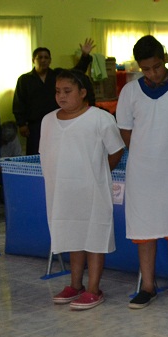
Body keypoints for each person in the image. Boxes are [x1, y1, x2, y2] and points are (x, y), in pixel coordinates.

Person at [116, 35, 168, 309]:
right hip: (142, 172)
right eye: (146, 69)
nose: (153, 73)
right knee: (144, 230)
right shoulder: (130, 92)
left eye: (157, 67)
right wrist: (144, 152)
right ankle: (147, 286)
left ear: (165, 59)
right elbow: (125, 130)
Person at [41, 70, 125, 310]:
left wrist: (98, 173)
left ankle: (94, 289)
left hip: (92, 192)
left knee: (94, 237)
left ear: (83, 92)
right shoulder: (48, 120)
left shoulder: (100, 118)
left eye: (67, 91)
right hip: (62, 193)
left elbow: (116, 150)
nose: (61, 96)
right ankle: (75, 285)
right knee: (73, 235)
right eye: (58, 91)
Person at [13, 41, 95, 155]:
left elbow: (77, 72)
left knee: (57, 152)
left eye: (46, 57)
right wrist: (21, 124)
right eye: (40, 57)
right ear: (33, 60)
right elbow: (19, 102)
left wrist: (84, 55)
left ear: (50, 60)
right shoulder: (24, 79)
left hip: (58, 121)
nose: (43, 60)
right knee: (35, 153)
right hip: (35, 125)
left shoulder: (57, 76)